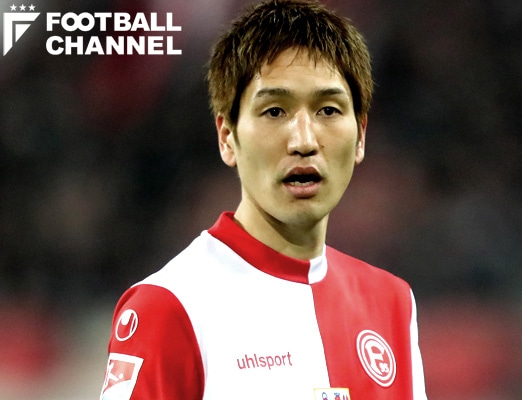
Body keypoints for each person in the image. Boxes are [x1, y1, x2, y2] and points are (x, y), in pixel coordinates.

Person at [99, 0, 427, 399]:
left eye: (328, 110)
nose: (304, 140)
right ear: (227, 137)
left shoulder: (392, 302)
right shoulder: (170, 305)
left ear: (360, 136)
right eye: (274, 111)